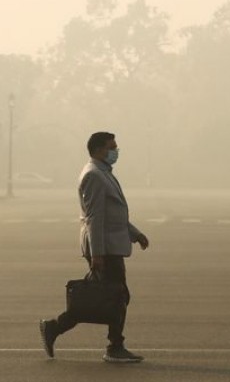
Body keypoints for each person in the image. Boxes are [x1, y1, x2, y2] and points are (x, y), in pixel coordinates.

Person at [39, 131, 150, 363]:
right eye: (112, 147)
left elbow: (112, 215)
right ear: (99, 149)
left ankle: (55, 327)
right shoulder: (94, 176)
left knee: (106, 297)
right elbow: (94, 218)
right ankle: (115, 346)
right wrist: (97, 253)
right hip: (105, 249)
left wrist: (136, 234)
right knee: (116, 296)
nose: (116, 152)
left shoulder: (103, 173)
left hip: (111, 246)